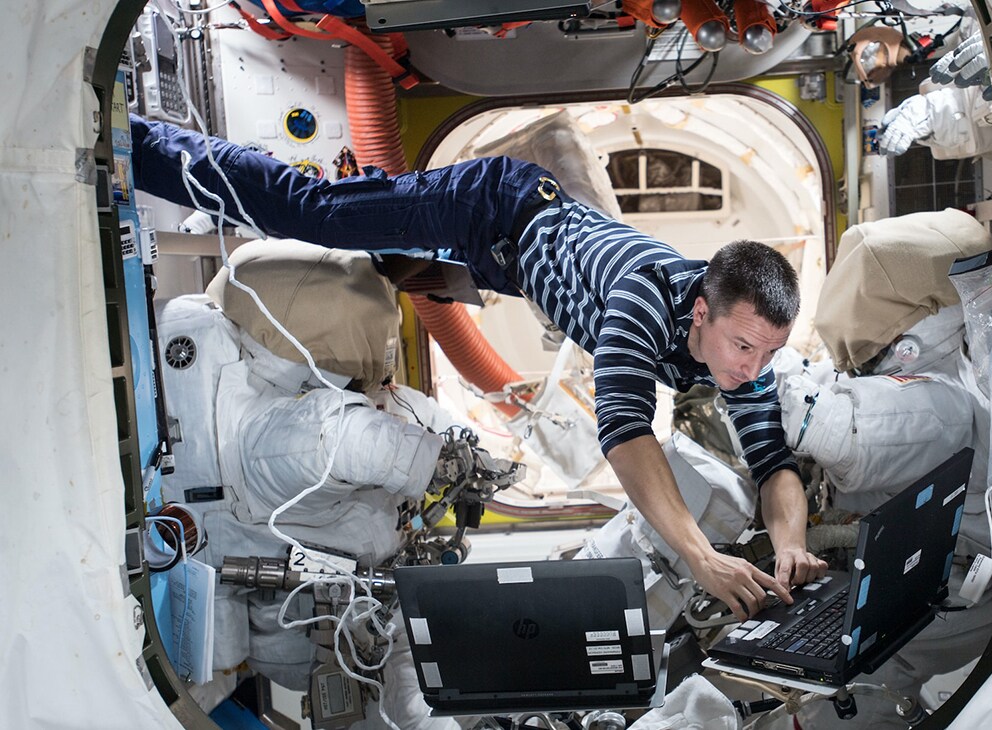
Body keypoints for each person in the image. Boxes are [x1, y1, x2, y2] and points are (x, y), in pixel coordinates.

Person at [130, 115, 826, 620]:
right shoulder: (642, 298)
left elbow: (775, 465)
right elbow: (625, 434)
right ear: (701, 311)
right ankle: (140, 145)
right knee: (311, 213)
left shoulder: (747, 353)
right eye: (743, 347)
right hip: (494, 207)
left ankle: (379, 214)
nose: (753, 367)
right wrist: (701, 557)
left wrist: (790, 544)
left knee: (388, 254)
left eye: (767, 351)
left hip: (514, 257)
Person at [157, 238, 468, 728]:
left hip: (273, 583)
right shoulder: (289, 432)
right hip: (243, 549)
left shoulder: (300, 399)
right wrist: (443, 461)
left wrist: (452, 456)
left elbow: (389, 421)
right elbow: (345, 440)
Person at [773, 209, 992, 729]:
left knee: (847, 704)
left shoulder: (938, 405)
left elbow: (827, 426)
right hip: (912, 584)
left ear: (904, 340)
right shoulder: (940, 382)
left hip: (930, 603)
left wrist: (756, 352)